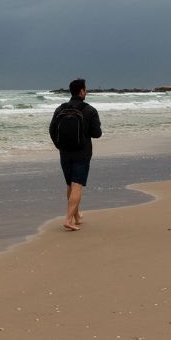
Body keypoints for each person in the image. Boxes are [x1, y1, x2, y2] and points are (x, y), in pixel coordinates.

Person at [48, 77, 102, 231]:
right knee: (77, 186)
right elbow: (97, 134)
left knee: (69, 185)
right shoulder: (90, 110)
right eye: (86, 89)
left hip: (64, 152)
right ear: (82, 91)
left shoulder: (60, 109)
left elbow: (52, 130)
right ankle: (68, 219)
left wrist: (59, 146)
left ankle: (76, 216)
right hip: (82, 153)